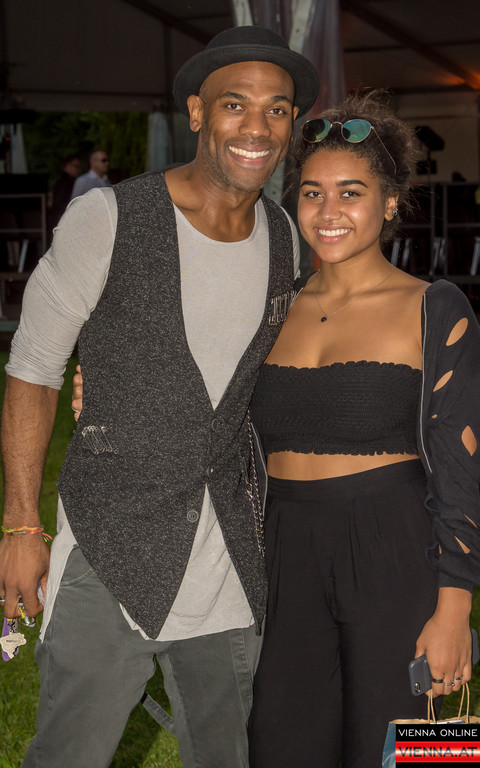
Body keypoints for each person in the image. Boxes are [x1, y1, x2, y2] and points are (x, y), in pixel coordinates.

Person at [0, 26, 319, 768]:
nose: (258, 126)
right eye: (235, 104)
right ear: (198, 112)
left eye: (276, 109)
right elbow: (33, 367)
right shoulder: (108, 218)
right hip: (108, 545)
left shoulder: (285, 237)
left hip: (229, 557)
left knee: (229, 755)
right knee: (69, 755)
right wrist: (20, 526)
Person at [247, 91, 480, 767]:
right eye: (312, 193)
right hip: (281, 552)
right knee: (278, 745)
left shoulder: (435, 307)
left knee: (403, 749)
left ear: (390, 202)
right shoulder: (269, 309)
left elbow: (462, 468)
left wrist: (454, 610)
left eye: (351, 192)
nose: (329, 212)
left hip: (394, 549)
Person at [50, 153, 83, 228]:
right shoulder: (63, 183)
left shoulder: (67, 182)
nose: (79, 170)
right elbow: (59, 204)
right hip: (63, 220)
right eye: (76, 166)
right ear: (68, 165)